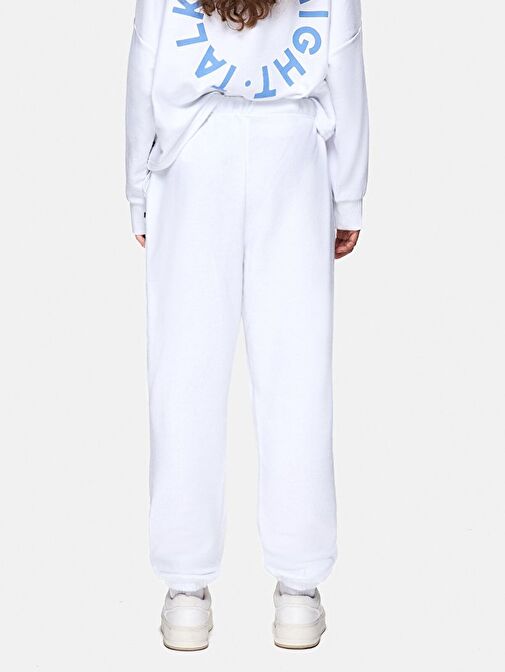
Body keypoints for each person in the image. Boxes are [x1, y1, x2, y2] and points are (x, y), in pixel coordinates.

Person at [125, 0, 368, 651]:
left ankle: (185, 593)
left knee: (183, 374)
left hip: (191, 158)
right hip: (293, 158)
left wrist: (138, 192)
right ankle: (298, 590)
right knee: (297, 375)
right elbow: (345, 71)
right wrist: (347, 194)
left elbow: (144, 69)